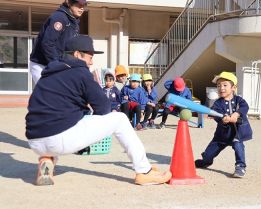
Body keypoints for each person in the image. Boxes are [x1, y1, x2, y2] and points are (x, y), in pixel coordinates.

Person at [25, 35, 172, 186]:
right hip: (59, 140)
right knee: (120, 119)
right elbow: (103, 108)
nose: (91, 61)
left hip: (35, 140)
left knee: (63, 121)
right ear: (77, 54)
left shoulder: (48, 75)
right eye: (90, 56)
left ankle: (47, 159)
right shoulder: (81, 72)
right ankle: (144, 172)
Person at [194, 71, 253, 178]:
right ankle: (206, 161)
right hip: (222, 135)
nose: (221, 88)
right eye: (218, 85)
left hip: (237, 133)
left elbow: (245, 107)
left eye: (225, 85)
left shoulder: (239, 100)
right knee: (208, 154)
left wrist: (236, 114)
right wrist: (223, 119)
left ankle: (240, 166)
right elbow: (216, 113)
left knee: (238, 146)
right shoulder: (217, 103)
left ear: (233, 88)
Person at [29, 0, 87, 83]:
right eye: (79, 5)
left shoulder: (75, 23)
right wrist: (57, 65)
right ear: (69, 3)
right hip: (41, 64)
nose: (82, 8)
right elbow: (47, 43)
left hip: (59, 64)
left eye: (84, 5)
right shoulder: (59, 17)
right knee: (49, 94)